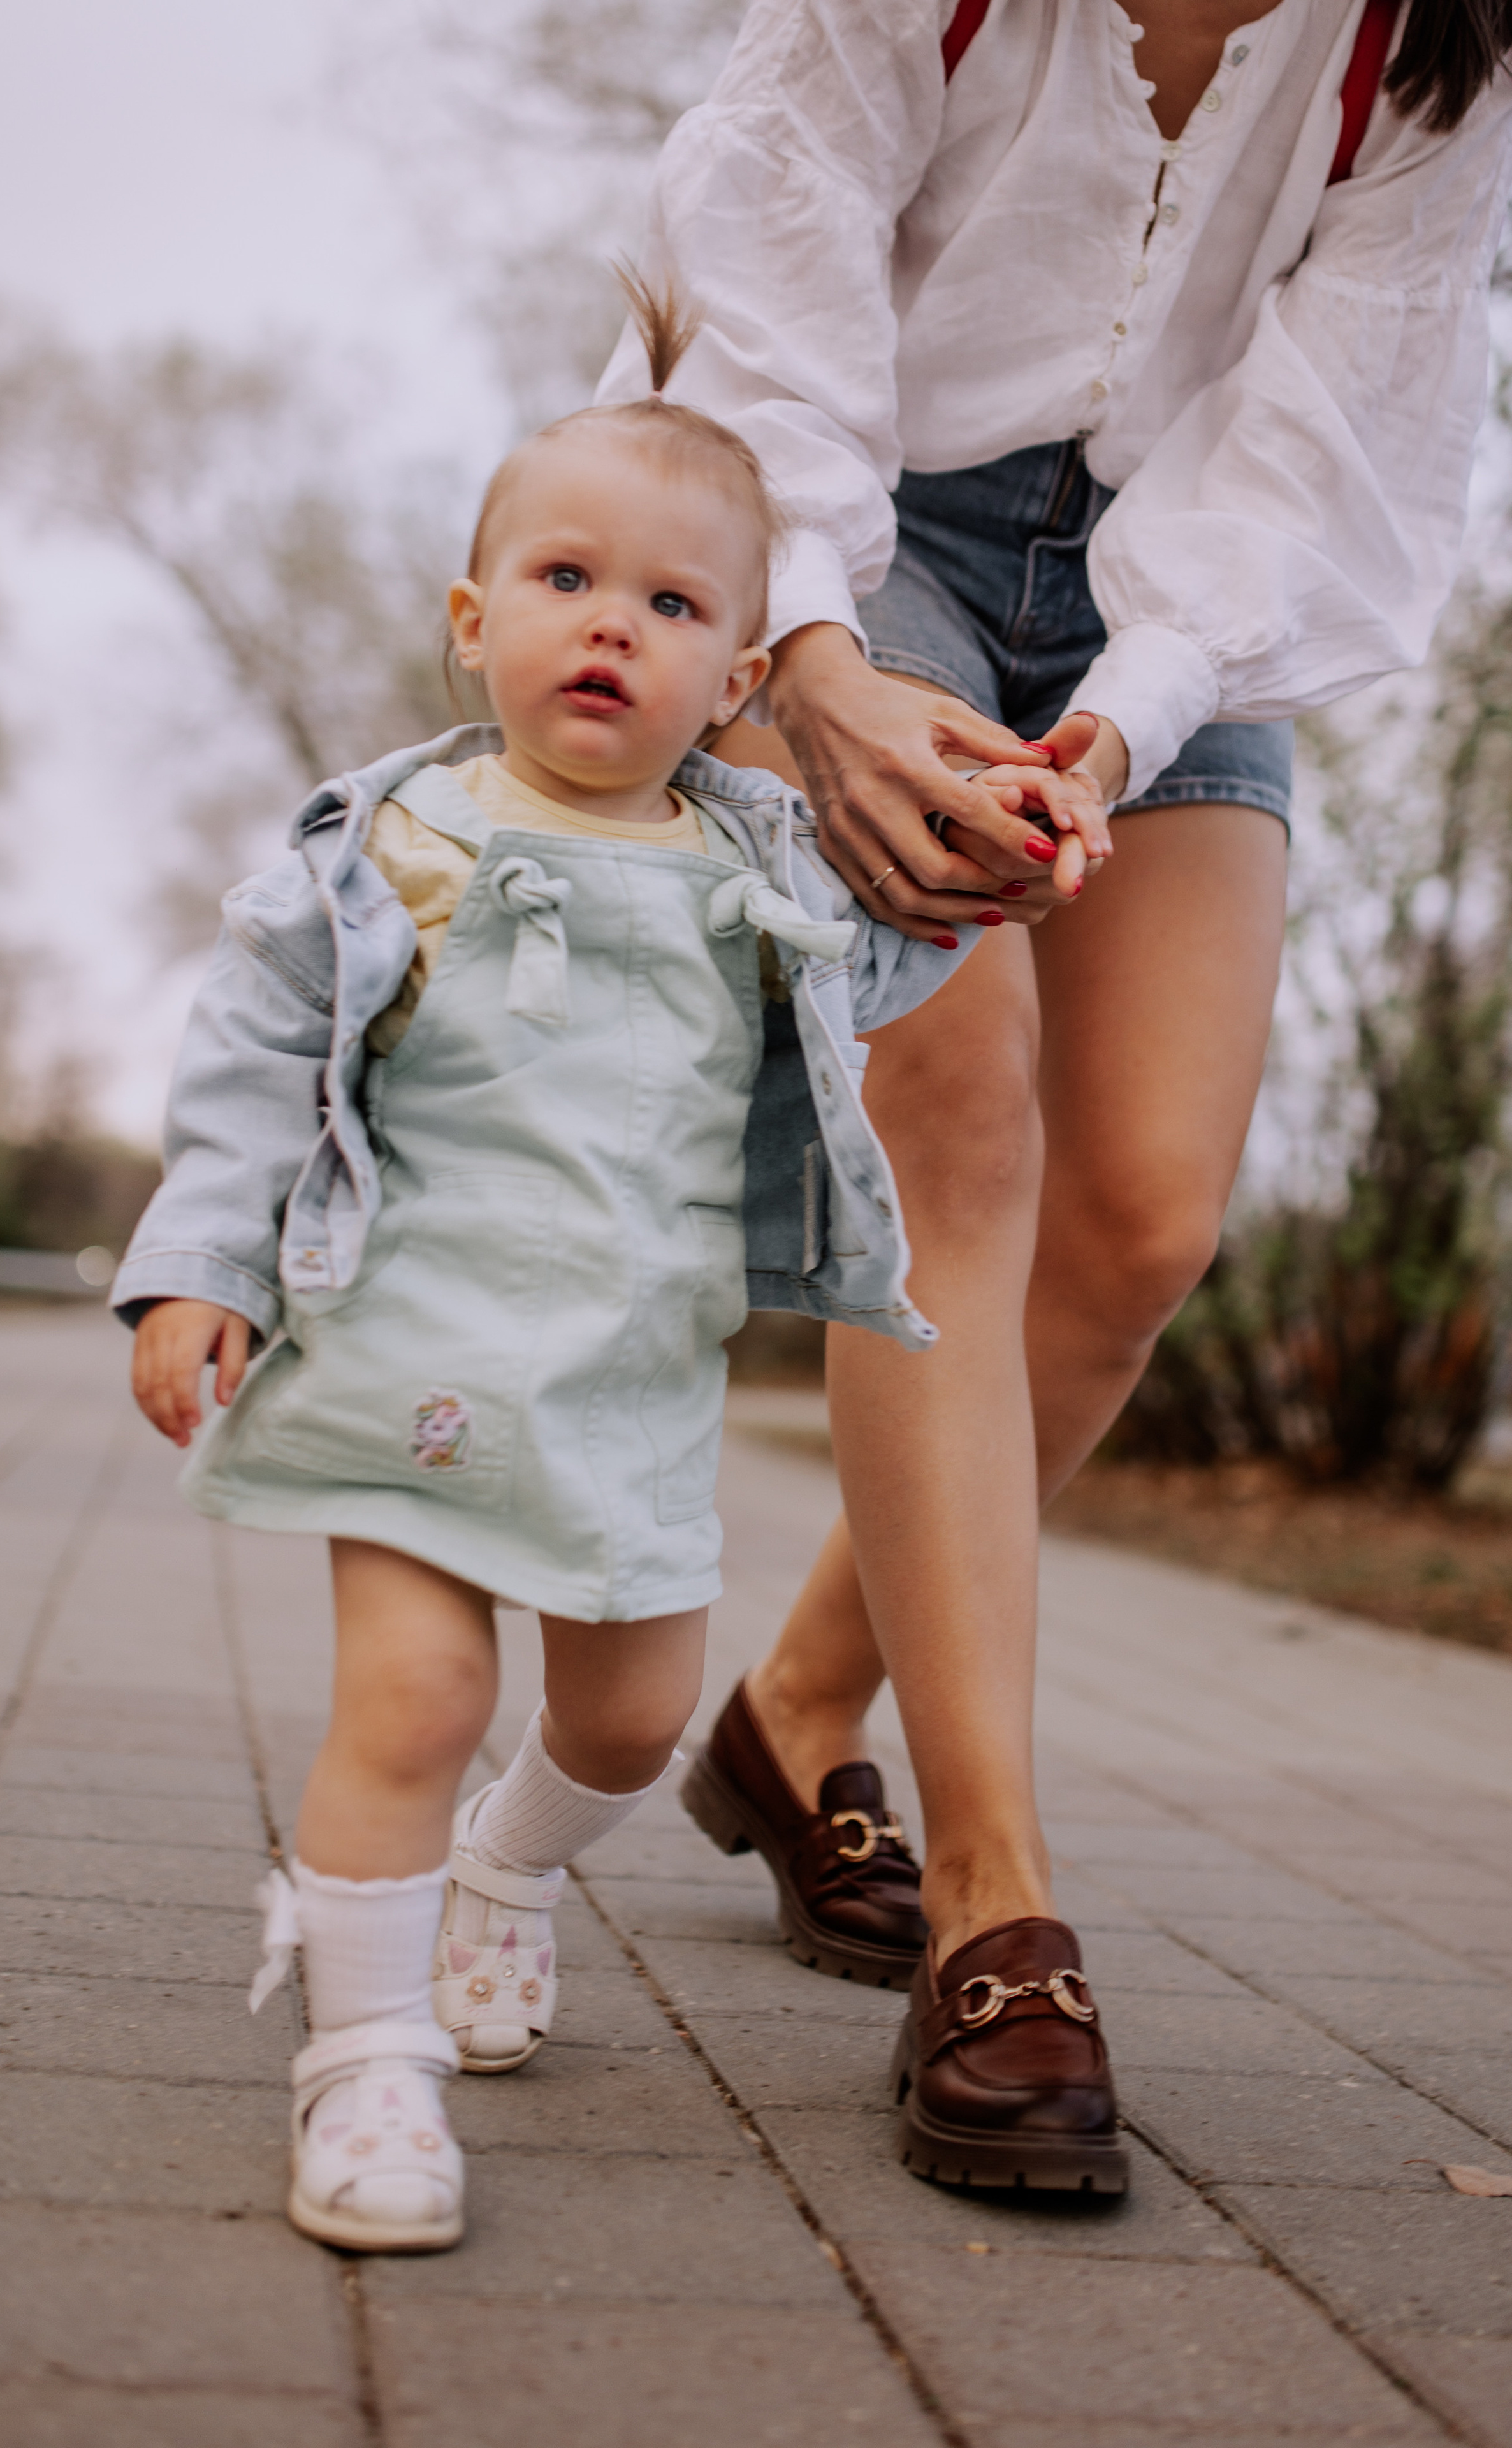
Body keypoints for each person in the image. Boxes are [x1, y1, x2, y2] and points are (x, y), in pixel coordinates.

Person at [597, 0, 1512, 2187]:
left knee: (1142, 1221)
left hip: (1167, 591)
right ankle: (995, 1903)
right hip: (855, 532)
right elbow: (773, 302)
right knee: (959, 1121)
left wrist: (1117, 724)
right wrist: (807, 667)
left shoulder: (1437, 49)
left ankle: (794, 1712)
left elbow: (1311, 435)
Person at [112, 277, 1114, 2252]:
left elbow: (894, 968)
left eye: (671, 607)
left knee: (636, 1725)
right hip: (404, 1355)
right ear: (476, 624)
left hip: (630, 1394)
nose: (613, 626)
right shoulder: (386, 847)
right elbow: (251, 1061)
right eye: (568, 578)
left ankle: (511, 1869)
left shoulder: (756, 869)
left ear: (738, 675)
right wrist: (193, 1268)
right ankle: (369, 2068)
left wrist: (998, 853)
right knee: (405, 1699)